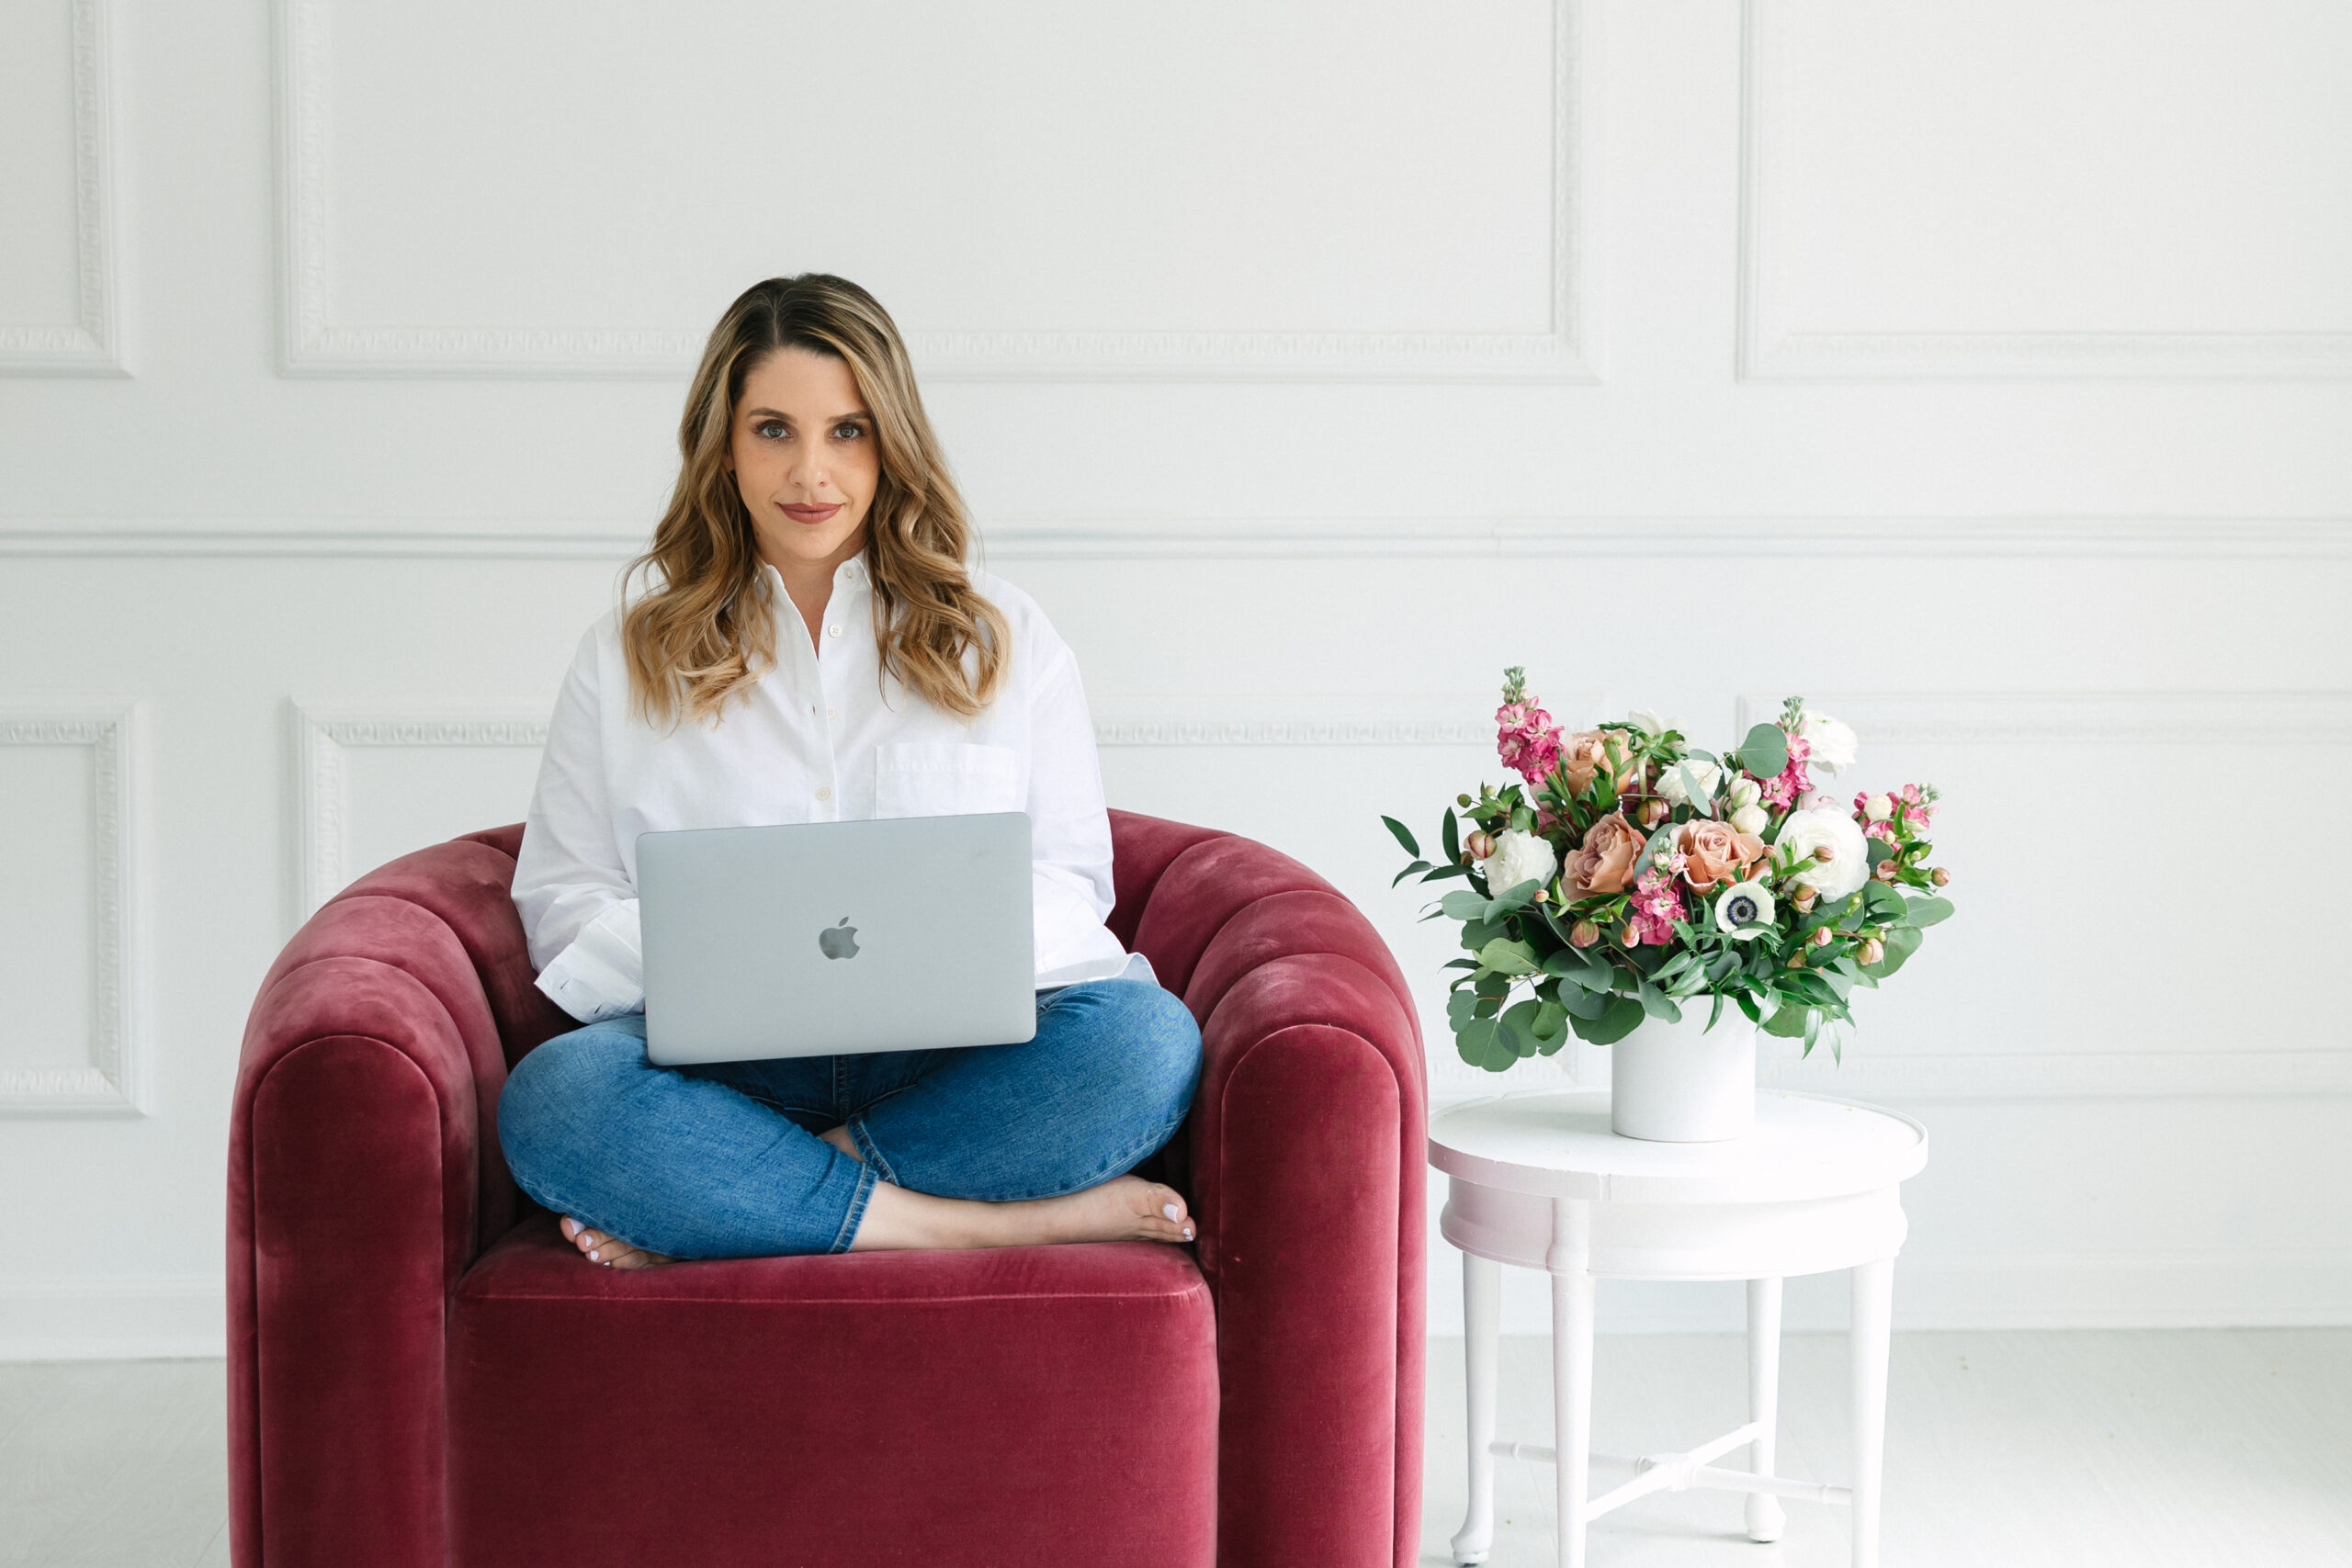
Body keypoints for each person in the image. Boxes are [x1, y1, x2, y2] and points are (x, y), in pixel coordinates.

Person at [496, 275, 1203, 1269]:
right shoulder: (624, 654)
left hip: (950, 1064)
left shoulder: (1002, 635)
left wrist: (950, 955)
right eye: (774, 430)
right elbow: (566, 899)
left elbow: (1068, 882)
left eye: (848, 431)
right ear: (724, 445)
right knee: (558, 1100)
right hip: (725, 1074)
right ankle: (984, 1223)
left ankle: (750, 1201)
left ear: (892, 441)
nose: (811, 473)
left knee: (1145, 1042)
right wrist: (718, 962)